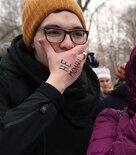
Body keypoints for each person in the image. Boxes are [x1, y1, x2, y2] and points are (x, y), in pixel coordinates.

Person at [0, 0, 102, 154]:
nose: (68, 44)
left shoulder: (90, 89)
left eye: (77, 33)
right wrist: (54, 86)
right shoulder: (5, 80)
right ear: (32, 40)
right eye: (54, 32)